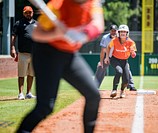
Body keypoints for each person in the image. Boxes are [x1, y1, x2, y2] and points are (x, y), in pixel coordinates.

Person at [17, 0, 104, 133]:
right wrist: (57, 34)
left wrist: (83, 35)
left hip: (69, 54)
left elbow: (98, 23)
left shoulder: (92, 3)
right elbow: (36, 34)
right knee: (45, 107)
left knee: (93, 95)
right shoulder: (57, 6)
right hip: (47, 54)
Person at [94, 25, 137, 91]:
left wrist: (132, 52)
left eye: (115, 30)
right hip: (108, 56)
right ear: (110, 31)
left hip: (119, 56)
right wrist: (102, 61)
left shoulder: (123, 38)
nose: (113, 32)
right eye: (112, 31)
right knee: (100, 67)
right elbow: (103, 50)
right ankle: (95, 87)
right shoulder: (105, 38)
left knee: (126, 68)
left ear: (117, 31)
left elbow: (130, 46)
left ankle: (131, 85)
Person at [10, 6, 37, 100]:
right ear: (23, 13)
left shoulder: (37, 24)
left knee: (31, 74)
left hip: (34, 53)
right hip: (23, 53)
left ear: (32, 13)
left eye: (30, 12)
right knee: (21, 74)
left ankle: (29, 93)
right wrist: (12, 48)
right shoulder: (19, 23)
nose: (28, 14)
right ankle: (20, 93)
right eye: (26, 13)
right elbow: (13, 36)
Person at [104, 24, 137, 98]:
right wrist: (107, 57)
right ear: (118, 33)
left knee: (126, 79)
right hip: (114, 59)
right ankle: (114, 90)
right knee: (119, 71)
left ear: (127, 33)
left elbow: (132, 50)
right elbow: (108, 47)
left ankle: (122, 91)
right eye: (121, 31)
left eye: (124, 32)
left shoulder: (131, 42)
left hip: (124, 61)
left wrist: (133, 53)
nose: (122, 33)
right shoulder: (115, 40)